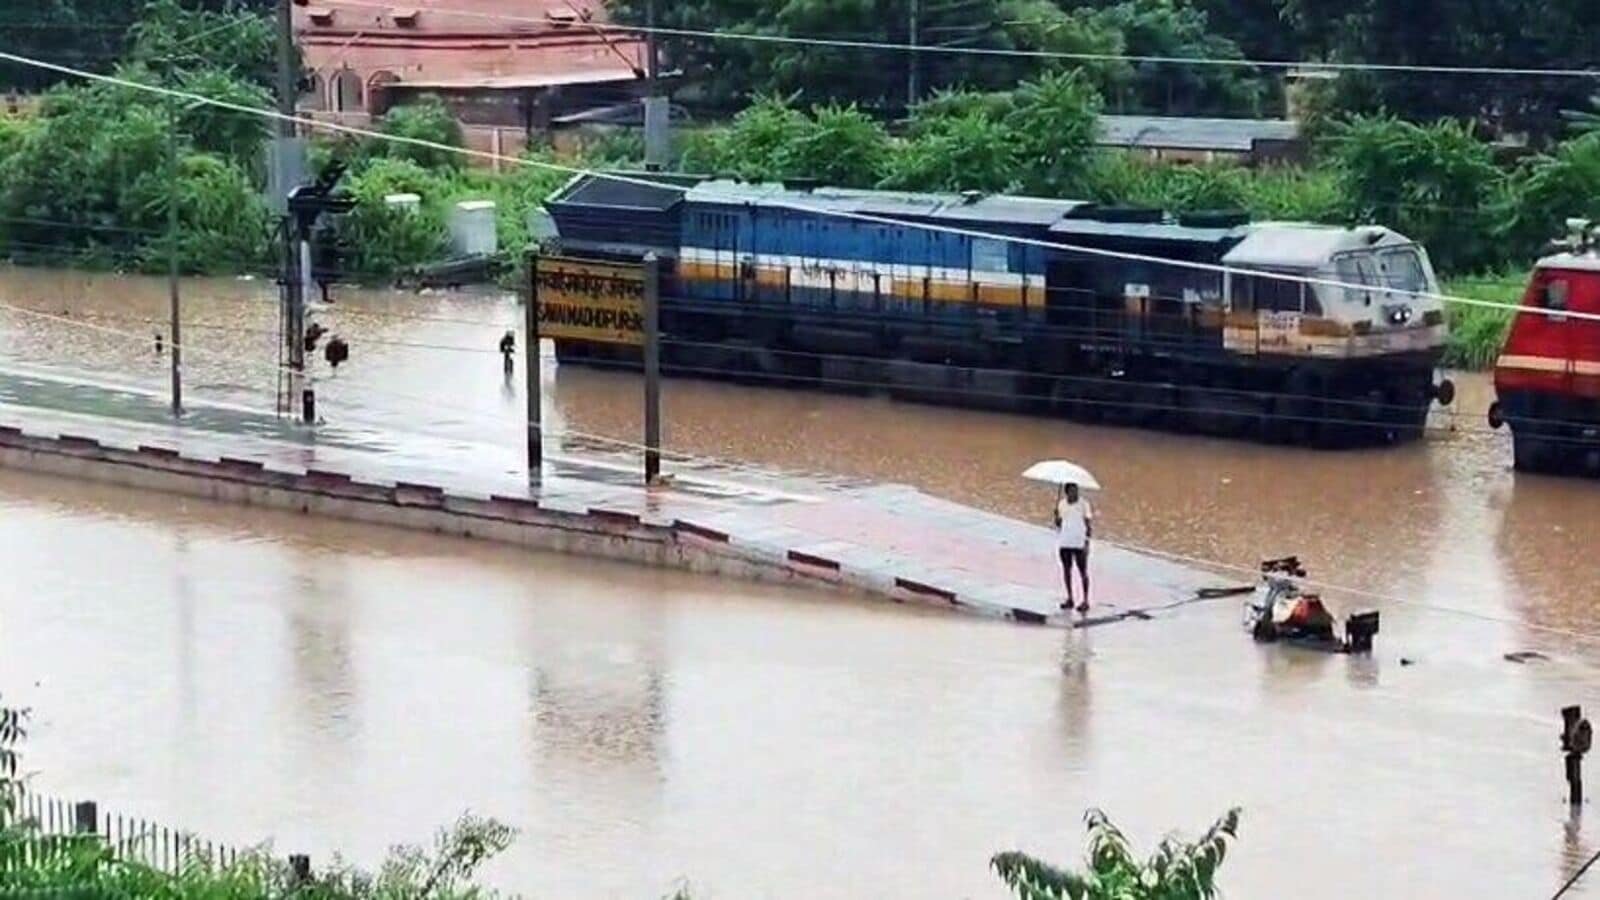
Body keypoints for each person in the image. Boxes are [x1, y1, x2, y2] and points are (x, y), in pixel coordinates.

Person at [1055, 482, 1093, 613]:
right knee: (1067, 570)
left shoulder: (1084, 504)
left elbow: (1088, 524)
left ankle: (1085, 600)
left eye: (1076, 490)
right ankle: (1070, 597)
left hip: (1079, 543)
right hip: (1065, 542)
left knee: (1083, 572)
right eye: (1072, 491)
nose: (1075, 493)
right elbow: (1059, 524)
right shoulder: (1061, 504)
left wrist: (1087, 542)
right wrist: (1056, 518)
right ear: (1067, 492)